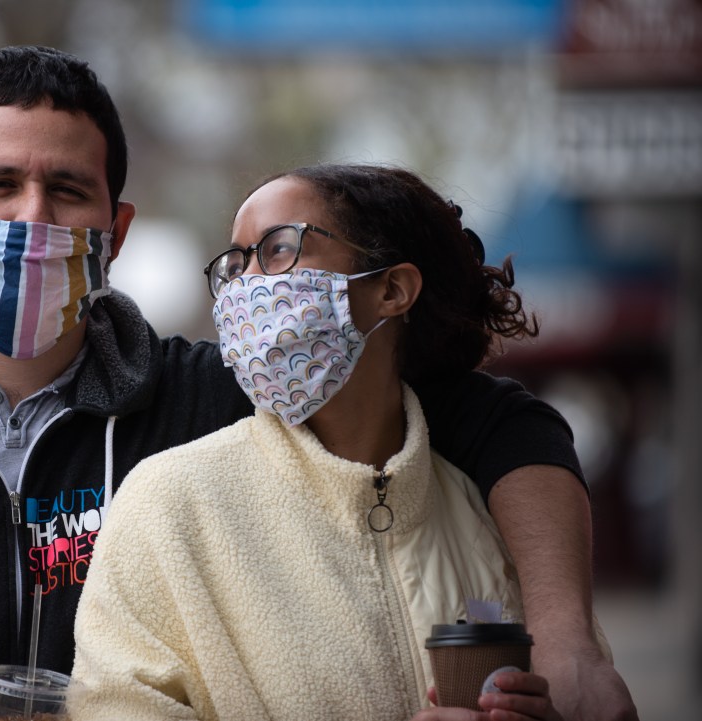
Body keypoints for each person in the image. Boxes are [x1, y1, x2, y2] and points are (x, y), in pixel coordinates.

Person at [0, 46, 633, 721]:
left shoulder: (211, 401)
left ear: (113, 232)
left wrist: (563, 631)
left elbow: (493, 420)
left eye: (67, 191)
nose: (32, 218)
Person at [70, 163, 634, 721]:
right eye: (235, 264)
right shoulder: (167, 506)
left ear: (392, 289)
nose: (245, 288)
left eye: (277, 249)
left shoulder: (493, 518)